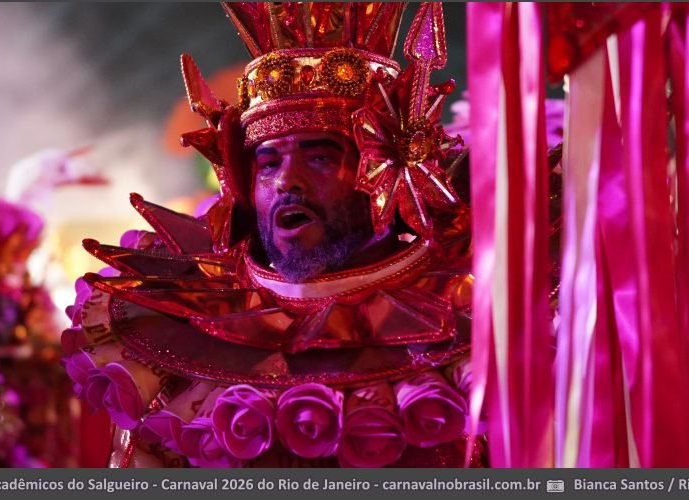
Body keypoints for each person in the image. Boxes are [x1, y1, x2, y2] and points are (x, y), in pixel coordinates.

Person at [60, 2, 496, 468]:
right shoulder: (183, 340)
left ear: (396, 168)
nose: (287, 180)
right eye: (268, 163)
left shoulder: (483, 315)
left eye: (321, 157)